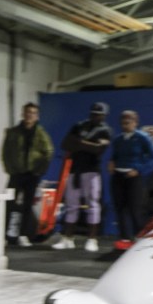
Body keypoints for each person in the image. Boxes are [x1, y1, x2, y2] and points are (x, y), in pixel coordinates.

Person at [53, 102, 112, 252]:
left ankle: (92, 239)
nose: (96, 116)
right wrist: (88, 145)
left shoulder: (105, 130)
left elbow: (98, 150)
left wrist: (78, 143)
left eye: (99, 114)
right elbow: (65, 144)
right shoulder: (79, 125)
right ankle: (67, 238)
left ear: (104, 116)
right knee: (71, 205)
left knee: (92, 205)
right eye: (93, 113)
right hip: (75, 170)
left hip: (92, 171)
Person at [1, 102, 54, 247]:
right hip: (16, 174)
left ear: (37, 116)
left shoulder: (41, 133)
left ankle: (23, 235)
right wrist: (10, 168)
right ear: (23, 114)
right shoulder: (13, 132)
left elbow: (48, 152)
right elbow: (5, 152)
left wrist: (40, 170)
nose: (29, 115)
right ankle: (5, 235)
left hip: (32, 175)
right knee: (8, 204)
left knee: (27, 205)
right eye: (27, 112)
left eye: (32, 113)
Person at [107, 110, 153, 249]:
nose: (125, 125)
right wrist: (111, 162)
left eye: (128, 122)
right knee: (120, 208)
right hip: (118, 177)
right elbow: (114, 156)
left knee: (135, 209)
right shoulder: (118, 139)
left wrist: (139, 169)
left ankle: (139, 237)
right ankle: (124, 238)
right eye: (123, 122)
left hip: (134, 177)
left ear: (135, 122)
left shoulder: (142, 137)